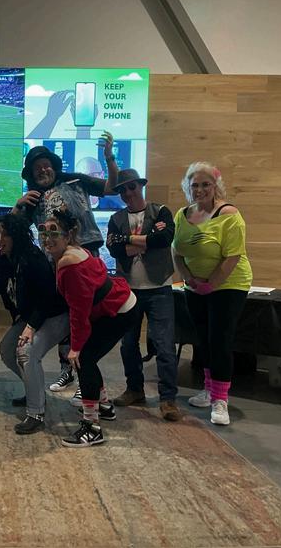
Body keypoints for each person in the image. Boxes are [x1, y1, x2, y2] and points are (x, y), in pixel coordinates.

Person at [14, 132, 119, 396]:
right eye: (37, 168)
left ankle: (88, 382)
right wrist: (17, 207)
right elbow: (13, 230)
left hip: (86, 259)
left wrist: (109, 157)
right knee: (67, 320)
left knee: (87, 319)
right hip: (57, 267)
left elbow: (111, 187)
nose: (43, 170)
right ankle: (68, 372)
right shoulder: (33, 198)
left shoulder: (75, 180)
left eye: (46, 165)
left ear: (53, 165)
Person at [41, 208, 138, 447]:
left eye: (54, 233)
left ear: (68, 236)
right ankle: (103, 405)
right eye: (43, 232)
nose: (47, 238)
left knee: (83, 360)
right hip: (119, 306)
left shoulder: (70, 263)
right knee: (88, 358)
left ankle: (92, 428)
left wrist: (75, 347)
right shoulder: (73, 252)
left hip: (120, 310)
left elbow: (79, 311)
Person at [172, 162, 252, 426]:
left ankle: (221, 400)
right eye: (195, 185)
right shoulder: (182, 215)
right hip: (195, 286)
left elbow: (233, 256)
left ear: (215, 186)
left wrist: (212, 284)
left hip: (227, 286)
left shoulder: (229, 215)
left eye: (205, 184)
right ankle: (209, 389)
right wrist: (187, 277)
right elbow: (176, 251)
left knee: (219, 340)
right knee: (203, 340)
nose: (200, 189)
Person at [0, 214, 69, 434]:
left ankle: (36, 412)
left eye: (5, 234)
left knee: (26, 352)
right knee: (7, 350)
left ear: (16, 235)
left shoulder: (32, 258)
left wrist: (30, 327)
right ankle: (34, 391)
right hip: (29, 317)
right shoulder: (1, 261)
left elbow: (46, 299)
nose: (0, 239)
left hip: (54, 315)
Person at [106, 168, 182, 422]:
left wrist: (129, 239)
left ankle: (168, 399)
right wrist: (147, 240)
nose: (128, 193)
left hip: (160, 288)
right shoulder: (116, 218)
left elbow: (164, 239)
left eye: (132, 187)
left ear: (140, 186)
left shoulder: (161, 211)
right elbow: (115, 249)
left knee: (164, 345)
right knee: (128, 344)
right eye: (122, 190)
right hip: (128, 290)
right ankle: (135, 389)